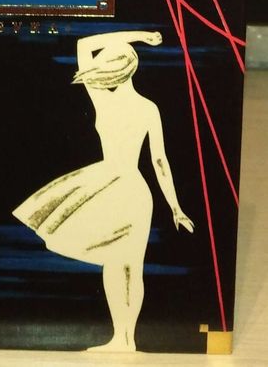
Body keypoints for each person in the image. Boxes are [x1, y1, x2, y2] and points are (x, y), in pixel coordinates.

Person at [12, 30, 193, 352]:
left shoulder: (102, 98)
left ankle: (124, 339)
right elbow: (159, 162)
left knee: (120, 265)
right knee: (126, 266)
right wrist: (175, 208)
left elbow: (84, 45)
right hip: (132, 189)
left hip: (116, 185)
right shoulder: (146, 107)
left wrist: (141, 36)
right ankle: (124, 339)